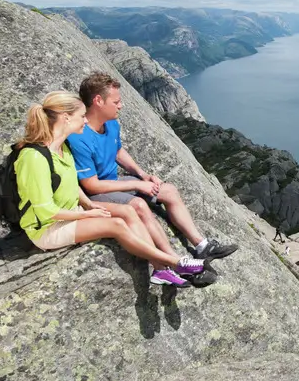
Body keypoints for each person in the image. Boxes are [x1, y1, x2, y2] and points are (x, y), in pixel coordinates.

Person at [14, 91, 209, 287]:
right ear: (66, 118)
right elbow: (45, 210)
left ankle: (160, 270)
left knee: (128, 210)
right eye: (81, 116)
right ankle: (173, 263)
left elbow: (71, 184)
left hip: (72, 211)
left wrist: (89, 205)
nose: (85, 121)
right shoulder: (34, 157)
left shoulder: (61, 149)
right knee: (116, 225)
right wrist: (86, 215)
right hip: (48, 228)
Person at [68, 73, 237, 264]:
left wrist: (143, 175)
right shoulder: (79, 137)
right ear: (98, 101)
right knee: (139, 205)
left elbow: (118, 152)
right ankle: (175, 262)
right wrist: (137, 185)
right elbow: (92, 186)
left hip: (115, 183)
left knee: (169, 191)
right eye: (116, 102)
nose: (120, 106)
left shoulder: (111, 124)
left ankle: (202, 246)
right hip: (97, 193)